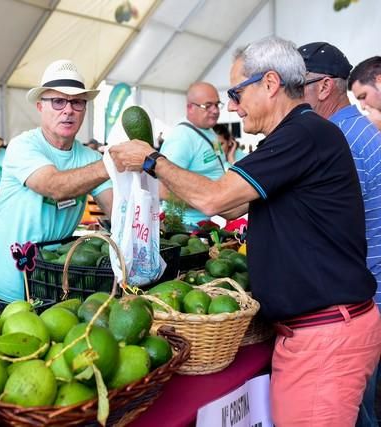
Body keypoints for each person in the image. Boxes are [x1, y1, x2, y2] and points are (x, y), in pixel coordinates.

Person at [109, 36, 381, 426]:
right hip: (313, 333)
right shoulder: (296, 135)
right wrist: (151, 201)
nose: (232, 106)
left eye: (237, 92)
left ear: (270, 83)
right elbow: (232, 202)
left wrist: (152, 160)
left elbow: (216, 198)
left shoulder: (301, 134)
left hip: (325, 336)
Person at [0, 59, 113, 302]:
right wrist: (112, 163)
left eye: (77, 102)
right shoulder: (23, 146)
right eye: (58, 101)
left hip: (51, 283)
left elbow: (117, 207)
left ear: (84, 109)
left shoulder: (90, 158)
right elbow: (54, 186)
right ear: (40, 106)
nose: (68, 110)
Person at [299, 42, 381, 427]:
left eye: (299, 85)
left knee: (353, 413)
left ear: (324, 86)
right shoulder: (357, 131)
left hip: (365, 300)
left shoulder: (339, 140)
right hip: (372, 290)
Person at [159, 82, 225, 226]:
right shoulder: (181, 137)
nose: (215, 110)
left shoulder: (209, 130)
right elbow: (162, 190)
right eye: (208, 106)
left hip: (203, 224)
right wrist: (208, 202)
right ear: (190, 107)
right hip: (183, 227)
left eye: (217, 104)